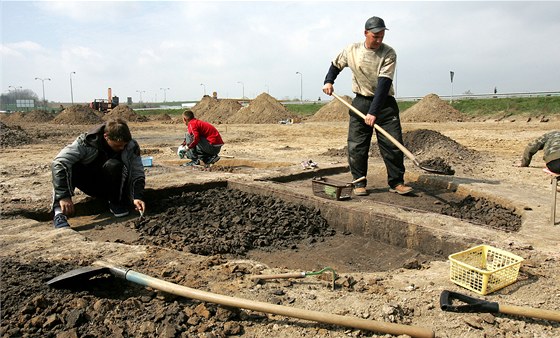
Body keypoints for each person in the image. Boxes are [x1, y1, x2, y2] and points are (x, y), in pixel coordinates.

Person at [322, 16, 413, 196]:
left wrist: (374, 112)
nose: (379, 40)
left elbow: (384, 84)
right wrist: (329, 81)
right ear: (366, 33)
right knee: (357, 146)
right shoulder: (352, 50)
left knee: (392, 145)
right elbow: (335, 65)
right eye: (375, 36)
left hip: (384, 104)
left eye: (381, 36)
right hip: (361, 102)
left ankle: (396, 182)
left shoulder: (389, 53)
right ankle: (359, 182)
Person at [51, 118, 146, 228]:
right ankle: (59, 213)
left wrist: (137, 196)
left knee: (114, 165)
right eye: (118, 145)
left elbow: (137, 172)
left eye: (124, 145)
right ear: (106, 137)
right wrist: (64, 196)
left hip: (112, 186)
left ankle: (115, 202)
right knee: (69, 166)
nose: (122, 148)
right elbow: (59, 163)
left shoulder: (131, 146)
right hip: (87, 180)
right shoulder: (85, 142)